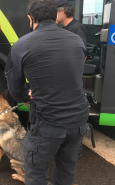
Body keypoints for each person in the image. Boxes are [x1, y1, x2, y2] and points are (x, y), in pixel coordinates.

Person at [5, 0, 89, 184]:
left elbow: (14, 88)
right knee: (66, 172)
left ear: (31, 18)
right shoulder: (76, 40)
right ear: (56, 16)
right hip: (78, 121)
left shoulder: (20, 45)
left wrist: (27, 96)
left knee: (35, 174)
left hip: (48, 122)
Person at [56, 0, 88, 158]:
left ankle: (76, 150)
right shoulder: (65, 28)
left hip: (71, 79)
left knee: (74, 112)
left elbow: (82, 55)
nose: (54, 14)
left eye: (56, 11)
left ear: (62, 11)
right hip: (65, 78)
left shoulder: (76, 28)